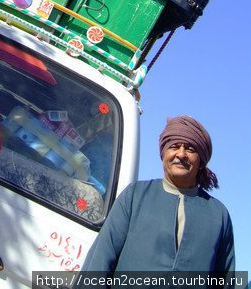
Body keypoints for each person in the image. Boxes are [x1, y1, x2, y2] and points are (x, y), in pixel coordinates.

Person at [82, 115, 235, 273]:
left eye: (190, 149)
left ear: (201, 161)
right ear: (163, 154)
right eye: (175, 146)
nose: (181, 154)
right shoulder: (135, 196)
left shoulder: (218, 216)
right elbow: (101, 258)